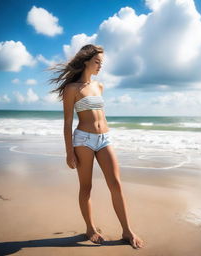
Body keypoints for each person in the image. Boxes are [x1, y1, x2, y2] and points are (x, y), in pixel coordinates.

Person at [48, 44, 144, 249]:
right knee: (86, 187)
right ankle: (90, 228)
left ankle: (127, 230)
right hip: (83, 140)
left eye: (102, 62)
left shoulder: (99, 86)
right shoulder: (71, 89)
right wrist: (69, 152)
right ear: (85, 62)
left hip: (104, 138)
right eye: (97, 62)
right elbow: (67, 123)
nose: (100, 66)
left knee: (116, 184)